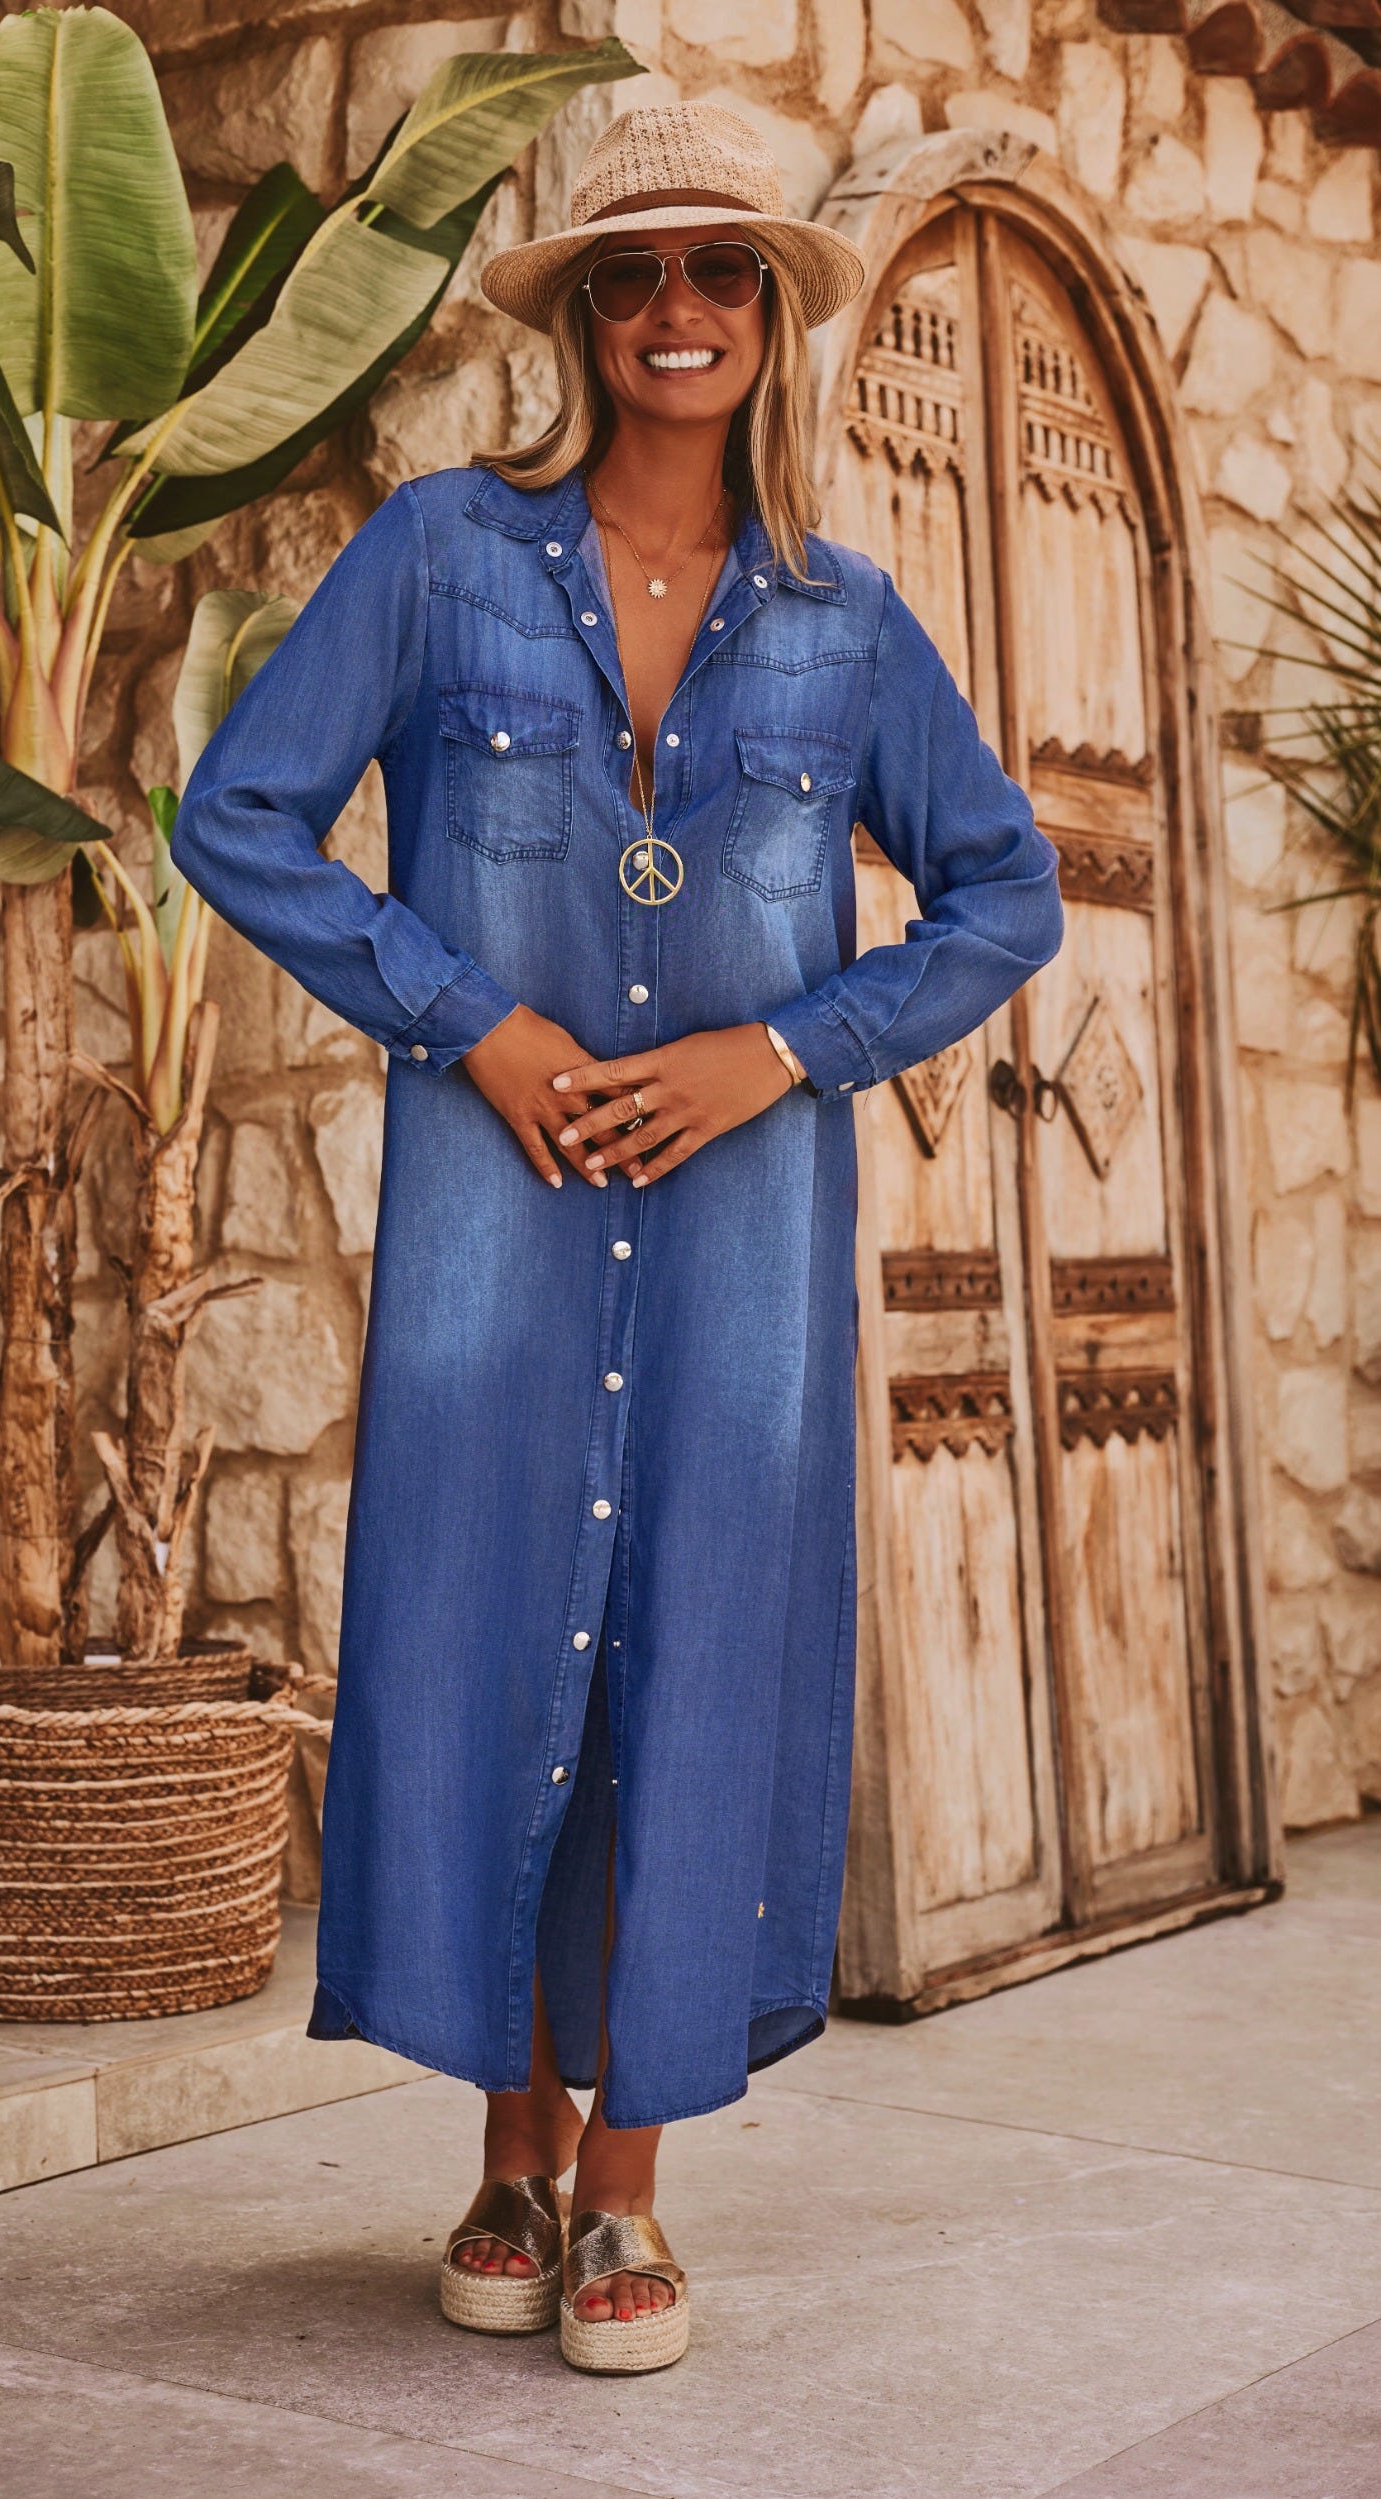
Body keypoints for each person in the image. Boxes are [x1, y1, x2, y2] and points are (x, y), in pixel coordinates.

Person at [171, 100, 1063, 2377]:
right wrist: (463, 1018)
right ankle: (512, 2148)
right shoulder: (440, 554)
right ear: (579, 315)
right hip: (501, 1231)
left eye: (720, 271)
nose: (680, 310)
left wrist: (788, 1051)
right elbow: (239, 812)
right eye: (633, 273)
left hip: (743, 1255)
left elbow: (1007, 891)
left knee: (695, 1655)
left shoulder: (846, 621)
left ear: (770, 314)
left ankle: (628, 2187)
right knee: (491, 1639)